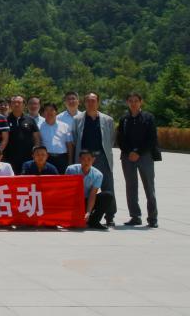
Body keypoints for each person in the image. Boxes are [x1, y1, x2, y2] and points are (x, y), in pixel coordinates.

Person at [72, 92, 117, 226]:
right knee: (81, 187)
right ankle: (81, 214)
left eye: (93, 100)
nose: (91, 103)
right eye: (88, 101)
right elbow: (75, 138)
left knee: (108, 186)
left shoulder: (107, 120)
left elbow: (111, 139)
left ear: (98, 102)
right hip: (84, 158)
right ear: (84, 103)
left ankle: (110, 216)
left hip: (102, 157)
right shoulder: (77, 119)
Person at [117, 92, 159, 227]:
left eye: (136, 101)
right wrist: (129, 152)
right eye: (131, 101)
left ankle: (152, 218)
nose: (133, 103)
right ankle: (135, 216)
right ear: (127, 103)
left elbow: (152, 138)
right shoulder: (124, 119)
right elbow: (120, 139)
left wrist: (138, 152)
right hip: (127, 156)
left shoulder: (148, 117)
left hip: (145, 156)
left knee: (149, 187)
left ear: (141, 102)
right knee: (131, 187)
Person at [67, 149, 114, 230]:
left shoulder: (98, 174)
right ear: (79, 159)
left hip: (87, 200)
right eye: (83, 159)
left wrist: (88, 212)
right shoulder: (71, 170)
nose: (86, 162)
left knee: (108, 195)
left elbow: (93, 194)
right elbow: (68, 190)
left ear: (93, 160)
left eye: (89, 159)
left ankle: (94, 221)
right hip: (74, 200)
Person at [5, 95, 41, 175]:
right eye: (14, 102)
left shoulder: (30, 120)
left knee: (27, 179)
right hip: (9, 158)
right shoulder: (5, 120)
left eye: (19, 102)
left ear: (24, 105)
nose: (16, 104)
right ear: (10, 105)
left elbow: (37, 138)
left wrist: (36, 152)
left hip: (28, 157)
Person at [38, 102, 73, 173]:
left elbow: (69, 145)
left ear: (56, 112)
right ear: (43, 113)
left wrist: (70, 162)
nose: (49, 112)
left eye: (51, 110)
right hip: (46, 158)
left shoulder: (65, 126)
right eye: (46, 110)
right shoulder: (39, 127)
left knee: (62, 179)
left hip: (62, 158)